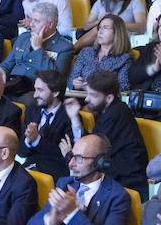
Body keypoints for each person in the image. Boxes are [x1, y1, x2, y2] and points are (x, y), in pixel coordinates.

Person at [63, 70, 149, 198]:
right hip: (110, 173)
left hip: (126, 182)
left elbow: (93, 151)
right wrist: (74, 118)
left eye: (93, 95)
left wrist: (70, 156)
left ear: (109, 98)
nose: (87, 99)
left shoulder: (116, 114)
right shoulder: (110, 110)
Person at [27, 134, 132, 225]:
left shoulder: (118, 198)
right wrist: (50, 220)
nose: (71, 164)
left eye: (79, 158)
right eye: (72, 156)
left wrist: (72, 213)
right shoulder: (64, 183)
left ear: (99, 162)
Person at [0, 2, 74, 100]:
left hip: (36, 91)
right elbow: (6, 65)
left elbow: (55, 79)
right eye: (31, 19)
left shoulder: (65, 47)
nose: (31, 24)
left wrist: (38, 49)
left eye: (36, 21)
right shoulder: (24, 38)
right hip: (13, 84)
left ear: (50, 24)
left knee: (21, 103)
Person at [68, 14, 132, 91]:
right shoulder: (86, 52)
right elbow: (71, 81)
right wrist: (75, 84)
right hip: (80, 98)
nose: (100, 32)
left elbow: (124, 86)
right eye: (99, 28)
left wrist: (94, 88)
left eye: (105, 28)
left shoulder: (124, 59)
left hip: (105, 101)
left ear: (117, 32)